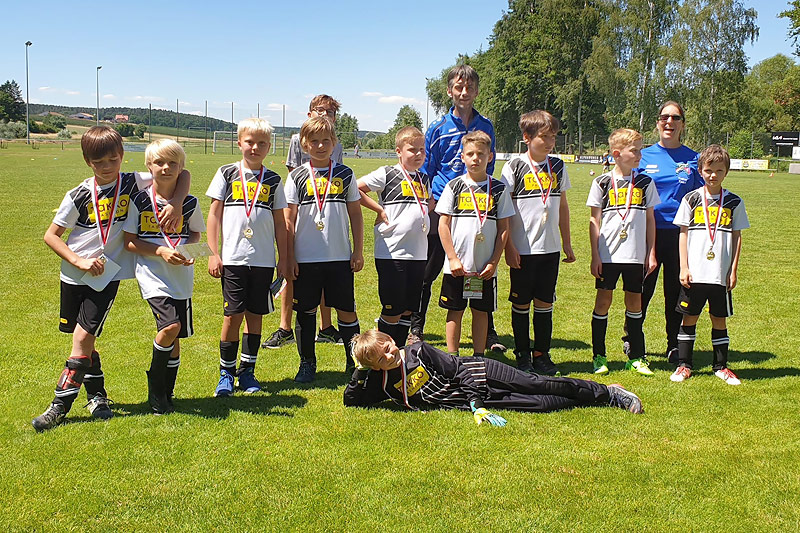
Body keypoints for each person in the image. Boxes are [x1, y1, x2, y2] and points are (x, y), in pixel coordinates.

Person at [32, 126, 189, 431]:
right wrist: (78, 260)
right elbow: (51, 236)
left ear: (122, 156)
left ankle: (58, 408)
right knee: (84, 341)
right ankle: (97, 396)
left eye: (113, 160)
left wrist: (178, 202)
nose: (107, 167)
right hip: (74, 275)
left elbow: (182, 175)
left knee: (82, 339)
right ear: (87, 161)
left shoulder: (131, 181)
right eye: (99, 162)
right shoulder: (78, 194)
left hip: (106, 277)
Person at [344, 329, 644, 425]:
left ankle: (608, 393)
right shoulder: (383, 385)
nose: (389, 354)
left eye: (387, 346)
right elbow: (351, 401)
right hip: (478, 402)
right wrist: (360, 370)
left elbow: (458, 370)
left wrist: (475, 404)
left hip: (483, 375)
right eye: (380, 357)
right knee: (541, 405)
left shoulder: (418, 351)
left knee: (539, 383)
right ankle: (592, 401)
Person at [409, 65, 505, 352]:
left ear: (476, 90)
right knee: (430, 270)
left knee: (481, 265)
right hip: (444, 206)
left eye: (469, 87)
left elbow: (491, 163)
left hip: (477, 209)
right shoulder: (437, 128)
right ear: (450, 91)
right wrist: (430, 202)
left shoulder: (486, 126)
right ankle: (416, 327)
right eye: (458, 87)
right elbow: (427, 167)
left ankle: (488, 333)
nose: (464, 92)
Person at [206, 118, 288, 397]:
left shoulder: (274, 180)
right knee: (233, 316)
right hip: (232, 260)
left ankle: (248, 372)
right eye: (250, 142)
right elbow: (214, 214)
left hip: (263, 261)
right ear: (239, 142)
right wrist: (213, 254)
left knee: (256, 316)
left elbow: (281, 224)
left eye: (261, 143)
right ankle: (226, 374)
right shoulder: (227, 173)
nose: (255, 147)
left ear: (269, 147)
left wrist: (284, 258)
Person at [123, 140, 205, 413]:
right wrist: (160, 251)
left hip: (181, 277)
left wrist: (189, 250)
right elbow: (129, 242)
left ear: (181, 167)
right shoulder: (140, 200)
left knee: (176, 335)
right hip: (153, 274)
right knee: (169, 327)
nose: (166, 167)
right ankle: (155, 389)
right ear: (149, 166)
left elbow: (195, 234)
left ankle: (168, 394)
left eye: (172, 163)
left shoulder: (190, 202)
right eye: (159, 162)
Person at [284, 116, 364, 383]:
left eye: (326, 141)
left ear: (334, 143)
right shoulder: (296, 176)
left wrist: (358, 250)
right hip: (305, 258)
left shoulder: (345, 174)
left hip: (339, 257)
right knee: (305, 311)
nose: (320, 146)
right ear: (304, 145)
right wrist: (290, 256)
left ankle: (354, 362)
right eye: (314, 141)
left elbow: (356, 214)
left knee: (346, 311)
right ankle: (307, 363)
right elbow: (288, 219)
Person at [264, 94, 345, 350]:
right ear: (309, 113)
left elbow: (336, 178)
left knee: (324, 274)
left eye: (330, 112)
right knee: (293, 274)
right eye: (320, 111)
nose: (324, 116)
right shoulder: (297, 140)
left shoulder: (336, 142)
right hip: (302, 215)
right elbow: (294, 182)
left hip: (326, 218)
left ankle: (327, 327)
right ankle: (285, 327)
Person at [500, 110, 575, 376]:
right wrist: (509, 246)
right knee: (521, 304)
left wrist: (566, 242)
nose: (550, 141)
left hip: (550, 249)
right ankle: (522, 354)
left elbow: (563, 206)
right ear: (527, 137)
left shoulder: (558, 166)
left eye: (553, 135)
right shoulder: (513, 166)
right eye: (544, 136)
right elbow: (504, 209)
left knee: (545, 303)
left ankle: (542, 354)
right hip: (522, 249)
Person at [631, 101, 704, 362]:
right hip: (647, 233)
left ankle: (673, 343)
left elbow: (702, 196)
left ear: (682, 124)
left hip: (680, 235)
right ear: (657, 122)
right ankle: (632, 338)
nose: (669, 122)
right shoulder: (644, 156)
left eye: (675, 118)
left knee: (676, 291)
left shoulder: (694, 159)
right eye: (664, 117)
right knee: (642, 289)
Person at [671, 145, 749, 385]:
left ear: (726, 172)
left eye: (718, 170)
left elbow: (737, 237)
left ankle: (721, 366)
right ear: (700, 170)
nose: (713, 175)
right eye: (708, 170)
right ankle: (684, 365)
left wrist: (733, 270)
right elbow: (683, 234)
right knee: (689, 318)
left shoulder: (734, 202)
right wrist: (683, 267)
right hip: (694, 273)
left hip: (719, 274)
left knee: (719, 319)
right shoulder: (691, 199)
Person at [587, 128, 660, 376]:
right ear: (617, 154)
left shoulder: (645, 183)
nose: (639, 155)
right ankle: (599, 356)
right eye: (635, 150)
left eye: (640, 150)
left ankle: (637, 357)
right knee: (603, 302)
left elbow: (650, 220)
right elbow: (594, 221)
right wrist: (595, 255)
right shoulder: (602, 182)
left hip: (635, 255)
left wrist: (651, 253)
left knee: (635, 303)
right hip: (607, 256)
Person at [436, 131, 514, 357]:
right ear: (462, 157)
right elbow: (443, 225)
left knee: (481, 312)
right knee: (454, 311)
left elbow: (504, 228)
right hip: (457, 266)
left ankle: (479, 357)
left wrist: (494, 261)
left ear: (490, 157)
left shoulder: (498, 189)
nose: (475, 158)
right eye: (470, 154)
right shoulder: (454, 186)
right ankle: (453, 357)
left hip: (484, 268)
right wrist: (451, 258)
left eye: (481, 154)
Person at [357, 126, 431, 347]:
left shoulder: (424, 179)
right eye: (412, 150)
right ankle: (382, 353)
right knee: (392, 309)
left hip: (418, 253)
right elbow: (355, 188)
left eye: (422, 150)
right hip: (393, 252)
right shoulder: (387, 173)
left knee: (408, 308)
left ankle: (398, 354)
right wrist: (379, 210)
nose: (418, 154)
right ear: (399, 151)